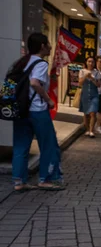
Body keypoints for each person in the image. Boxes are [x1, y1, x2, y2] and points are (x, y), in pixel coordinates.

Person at [11, 33, 64, 192]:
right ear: (42, 46)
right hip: (37, 110)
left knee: (21, 146)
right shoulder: (40, 63)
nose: (50, 46)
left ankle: (19, 181)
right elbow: (35, 83)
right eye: (48, 43)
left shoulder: (22, 62)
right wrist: (48, 100)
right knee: (48, 145)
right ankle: (46, 179)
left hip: (21, 110)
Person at [78, 56, 101, 138]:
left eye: (92, 62)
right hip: (84, 94)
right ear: (86, 62)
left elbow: (98, 85)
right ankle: (87, 129)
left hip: (94, 95)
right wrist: (85, 76)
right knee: (86, 113)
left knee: (93, 112)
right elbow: (80, 83)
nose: (90, 63)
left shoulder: (97, 72)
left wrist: (91, 78)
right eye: (89, 61)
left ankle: (91, 130)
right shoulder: (82, 71)